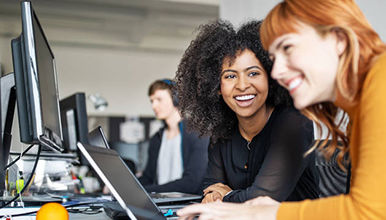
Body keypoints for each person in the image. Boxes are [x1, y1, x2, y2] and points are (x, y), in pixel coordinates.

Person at [177, 0, 386, 219]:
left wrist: (263, 212)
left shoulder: (380, 83)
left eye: (288, 48)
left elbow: (368, 213)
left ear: (339, 40)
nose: (276, 72)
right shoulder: (362, 103)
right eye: (274, 58)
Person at [175, 20, 319, 204]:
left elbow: (262, 200)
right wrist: (217, 196)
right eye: (230, 76)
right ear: (216, 86)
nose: (242, 85)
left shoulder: (294, 124)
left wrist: (226, 196)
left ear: (271, 77)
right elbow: (211, 189)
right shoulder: (222, 133)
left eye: (253, 73)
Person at [138, 79, 209, 194]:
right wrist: (124, 189)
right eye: (152, 101)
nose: (154, 105)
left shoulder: (198, 134)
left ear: (176, 100)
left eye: (159, 99)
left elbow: (192, 183)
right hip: (160, 203)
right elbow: (148, 178)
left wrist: (146, 191)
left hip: (186, 205)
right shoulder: (157, 138)